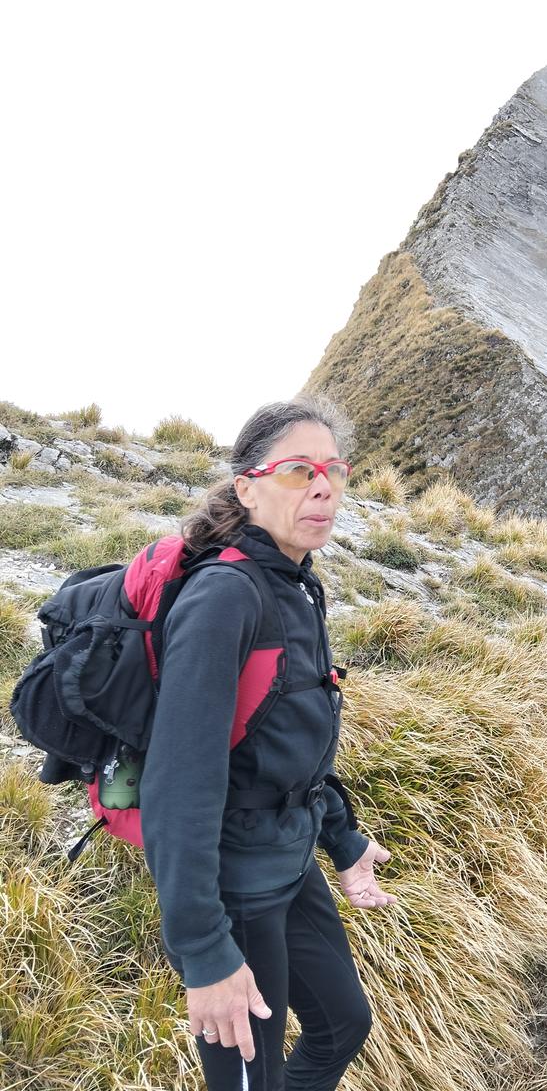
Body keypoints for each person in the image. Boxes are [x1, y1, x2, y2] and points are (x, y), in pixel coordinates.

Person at [141, 396, 395, 1091]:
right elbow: (177, 786)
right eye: (298, 470)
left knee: (344, 1026)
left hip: (288, 858)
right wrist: (205, 955)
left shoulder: (296, 584)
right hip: (236, 887)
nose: (324, 486)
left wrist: (344, 843)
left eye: (335, 470)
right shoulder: (226, 597)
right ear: (247, 487)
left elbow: (295, 737)